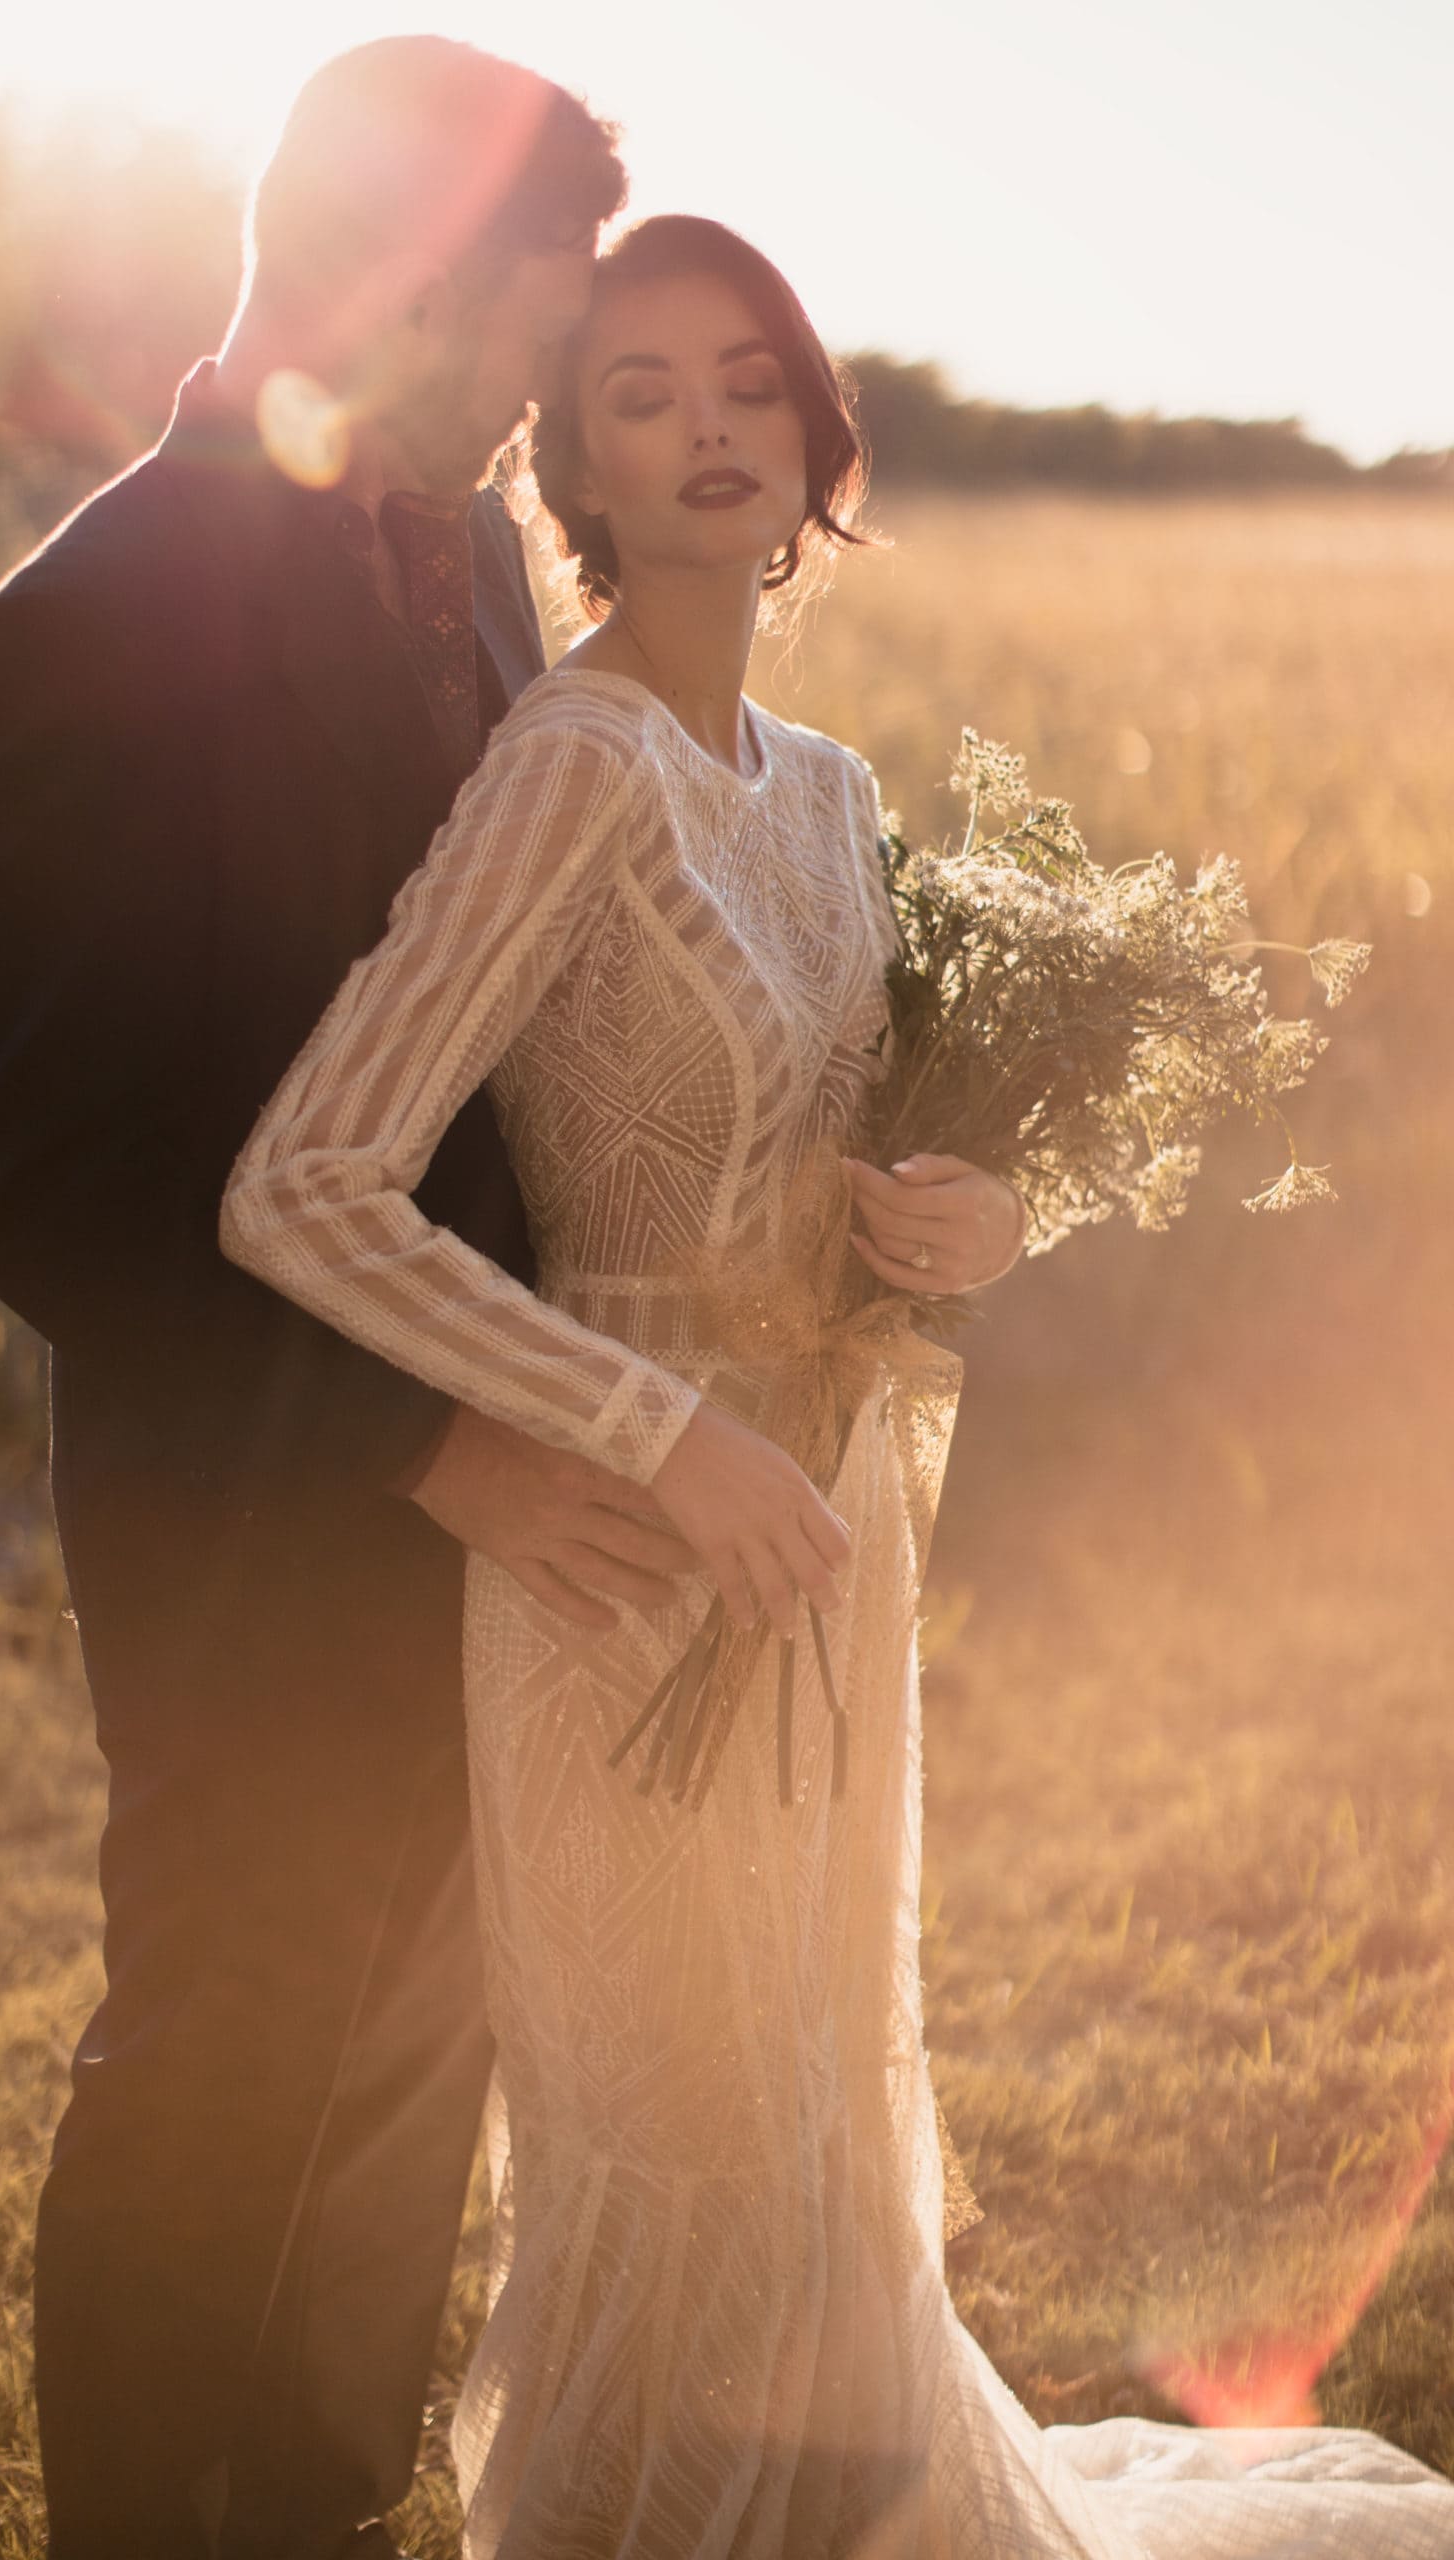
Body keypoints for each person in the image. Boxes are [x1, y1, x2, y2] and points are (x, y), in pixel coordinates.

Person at [222, 214, 1454, 2558]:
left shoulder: (826, 784)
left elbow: (866, 1157)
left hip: (839, 1515)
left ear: (810, 439)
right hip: (624, 1548)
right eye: (639, 394)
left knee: (807, 2083)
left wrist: (975, 1223)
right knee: (661, 2099)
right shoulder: (564, 763)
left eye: (742, 385)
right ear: (573, 466)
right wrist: (643, 1425)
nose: (702, 429)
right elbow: (303, 1185)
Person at [0, 39, 688, 2560]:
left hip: (506, 1460)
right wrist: (427, 1438)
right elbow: (54, 1182)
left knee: (427, 2018)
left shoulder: (471, 556)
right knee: (232, 2043)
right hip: (255, 1506)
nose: (543, 399)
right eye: (519, 331)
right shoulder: (83, 630)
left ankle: (325, 2498)